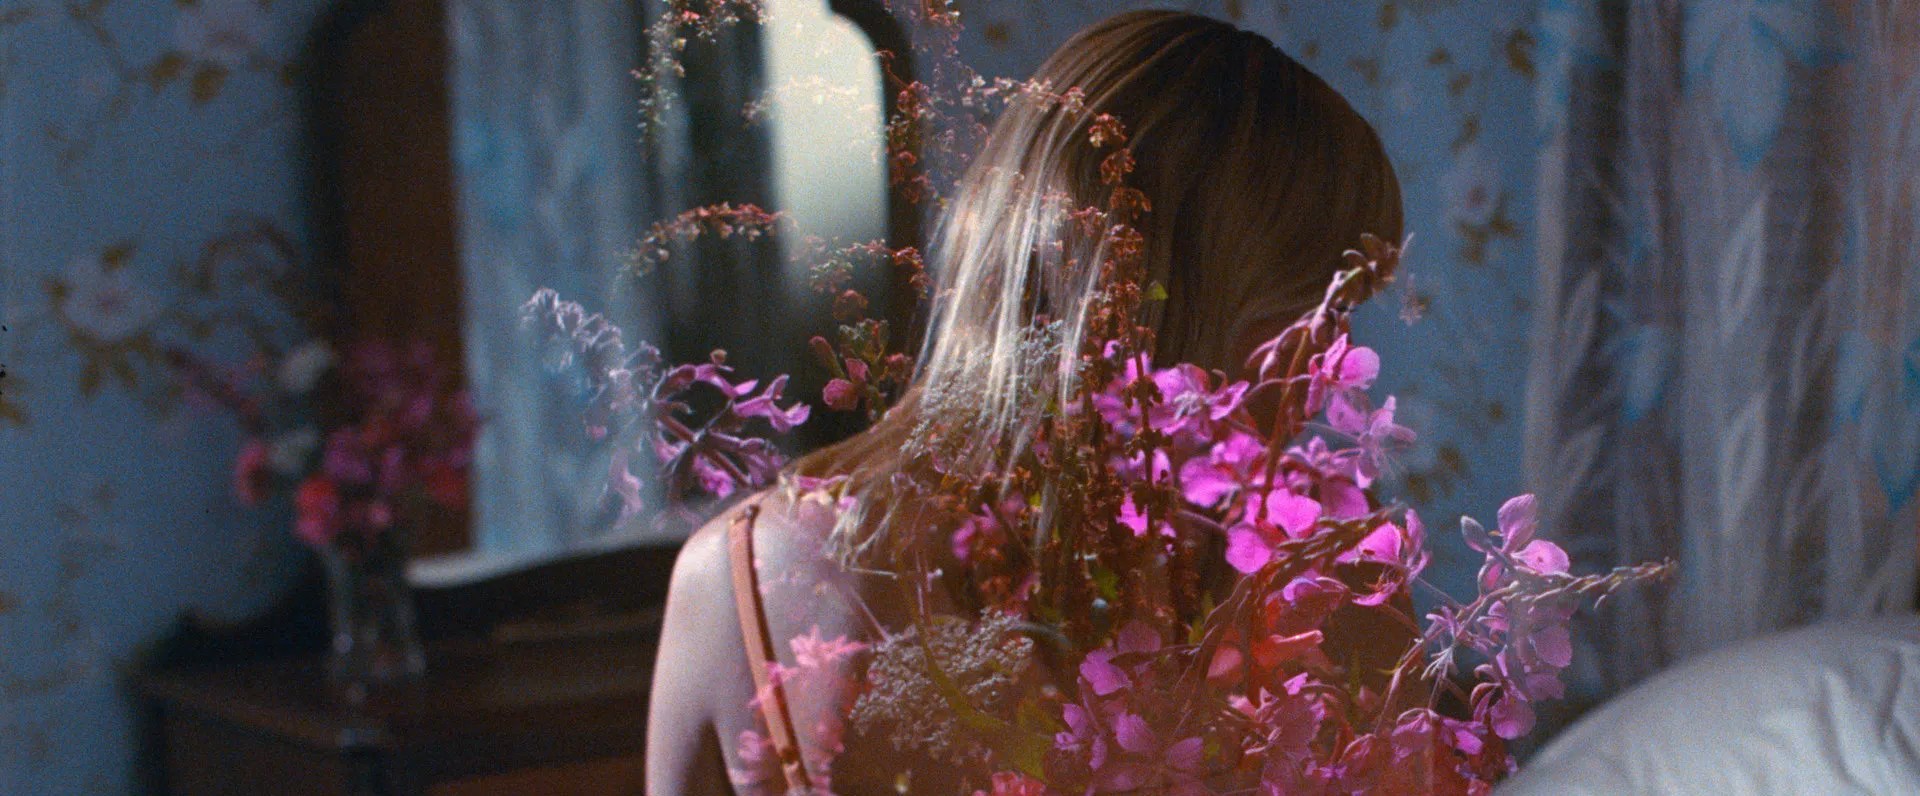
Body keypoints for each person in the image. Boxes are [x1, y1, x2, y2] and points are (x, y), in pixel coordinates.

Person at [647, 10, 1404, 794]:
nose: (1335, 358)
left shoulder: (736, 575)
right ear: (1177, 290)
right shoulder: (1327, 573)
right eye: (1321, 306)